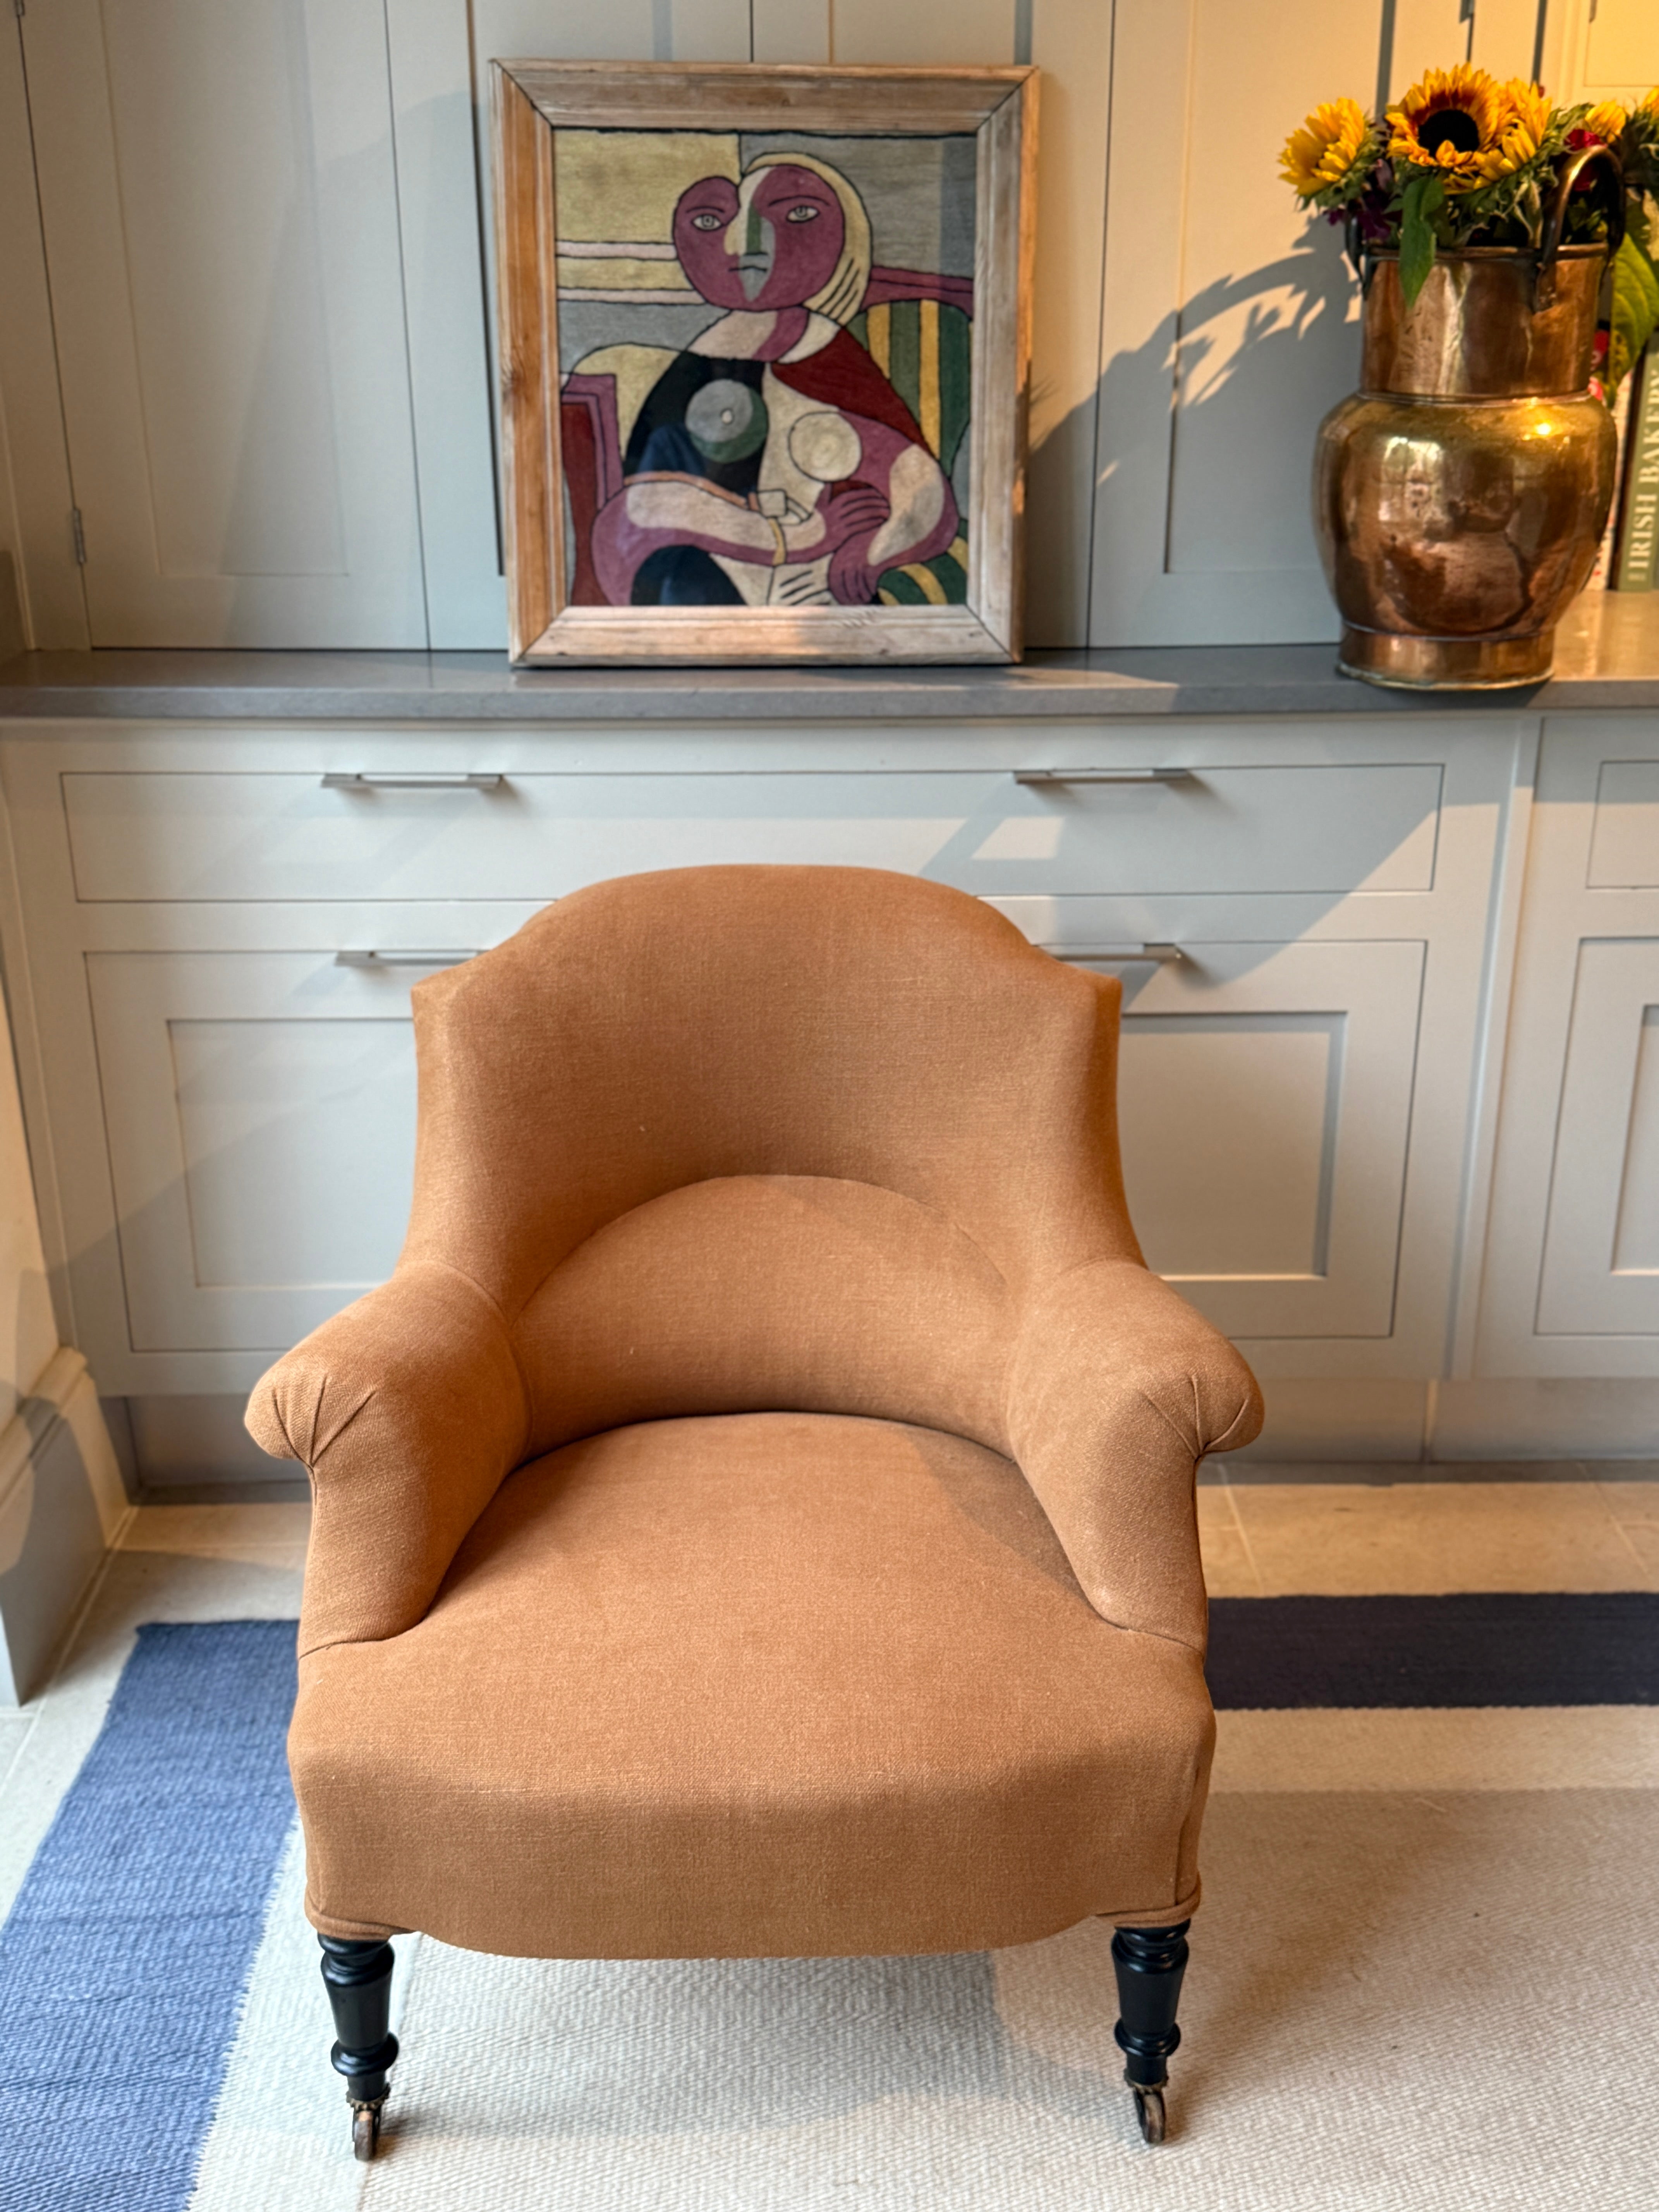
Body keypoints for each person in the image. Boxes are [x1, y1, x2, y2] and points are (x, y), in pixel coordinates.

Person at [587, 153, 958, 609]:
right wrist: (798, 536)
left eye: (797, 215)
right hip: (710, 584)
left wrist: (872, 551)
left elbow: (920, 488)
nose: (747, 245)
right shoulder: (702, 361)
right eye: (710, 221)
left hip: (821, 592)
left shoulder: (830, 356)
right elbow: (643, 510)